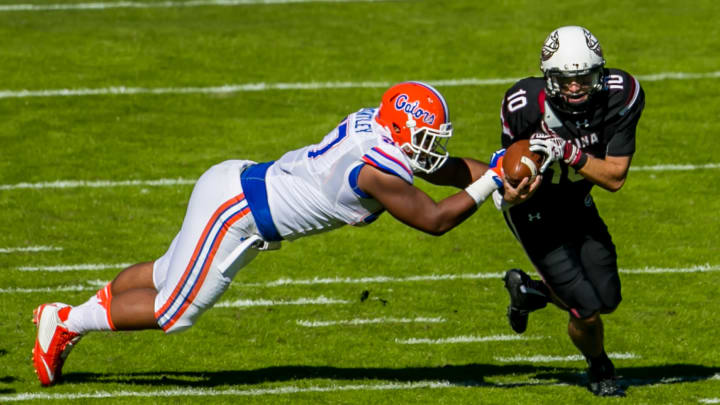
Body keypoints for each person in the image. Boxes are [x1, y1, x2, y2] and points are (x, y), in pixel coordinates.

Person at [32, 81, 504, 386]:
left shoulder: (377, 127)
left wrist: (497, 175)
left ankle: (80, 313)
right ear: (400, 129)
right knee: (175, 310)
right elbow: (435, 220)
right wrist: (493, 181)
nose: (431, 148)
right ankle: (67, 321)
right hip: (236, 211)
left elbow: (438, 168)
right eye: (425, 137)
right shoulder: (373, 171)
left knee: (163, 274)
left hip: (237, 187)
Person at [493, 26, 645, 397]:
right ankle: (599, 367)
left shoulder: (621, 94)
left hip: (577, 199)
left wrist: (568, 152)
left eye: (584, 77)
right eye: (565, 79)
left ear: (600, 73)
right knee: (587, 307)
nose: (575, 87)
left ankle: (530, 292)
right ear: (549, 76)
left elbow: (614, 177)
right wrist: (514, 186)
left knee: (608, 298)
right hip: (534, 206)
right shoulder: (523, 103)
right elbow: (511, 168)